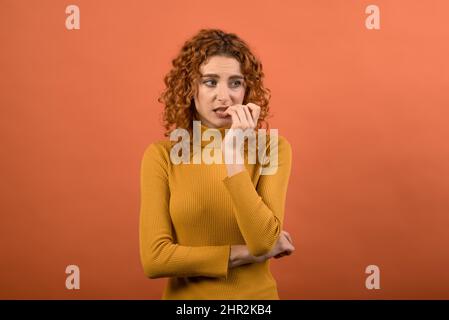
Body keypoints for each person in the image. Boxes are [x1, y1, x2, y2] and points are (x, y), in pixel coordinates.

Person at [139, 28, 294, 299]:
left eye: (235, 83)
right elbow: (155, 259)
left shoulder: (272, 148)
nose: (224, 96)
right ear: (190, 88)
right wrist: (245, 253)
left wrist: (232, 153)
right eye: (210, 82)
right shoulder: (162, 155)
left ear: (247, 89)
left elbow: (262, 240)